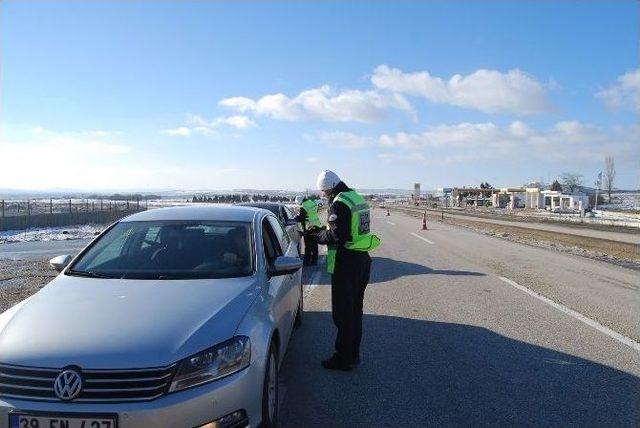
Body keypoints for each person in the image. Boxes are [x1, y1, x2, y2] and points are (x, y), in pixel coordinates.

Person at [310, 170, 380, 371]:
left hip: (347, 262)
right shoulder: (356, 197)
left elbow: (337, 236)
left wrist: (317, 236)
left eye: (324, 192)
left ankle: (342, 358)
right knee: (355, 312)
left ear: (329, 188)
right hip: (362, 260)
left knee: (343, 314)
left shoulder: (339, 202)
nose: (324, 196)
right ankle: (353, 355)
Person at [294, 195, 323, 265]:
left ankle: (307, 261)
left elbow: (301, 218)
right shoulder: (311, 202)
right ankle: (314, 260)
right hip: (316, 226)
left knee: (308, 245)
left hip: (309, 228)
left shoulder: (303, 206)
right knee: (314, 244)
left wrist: (295, 218)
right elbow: (312, 213)